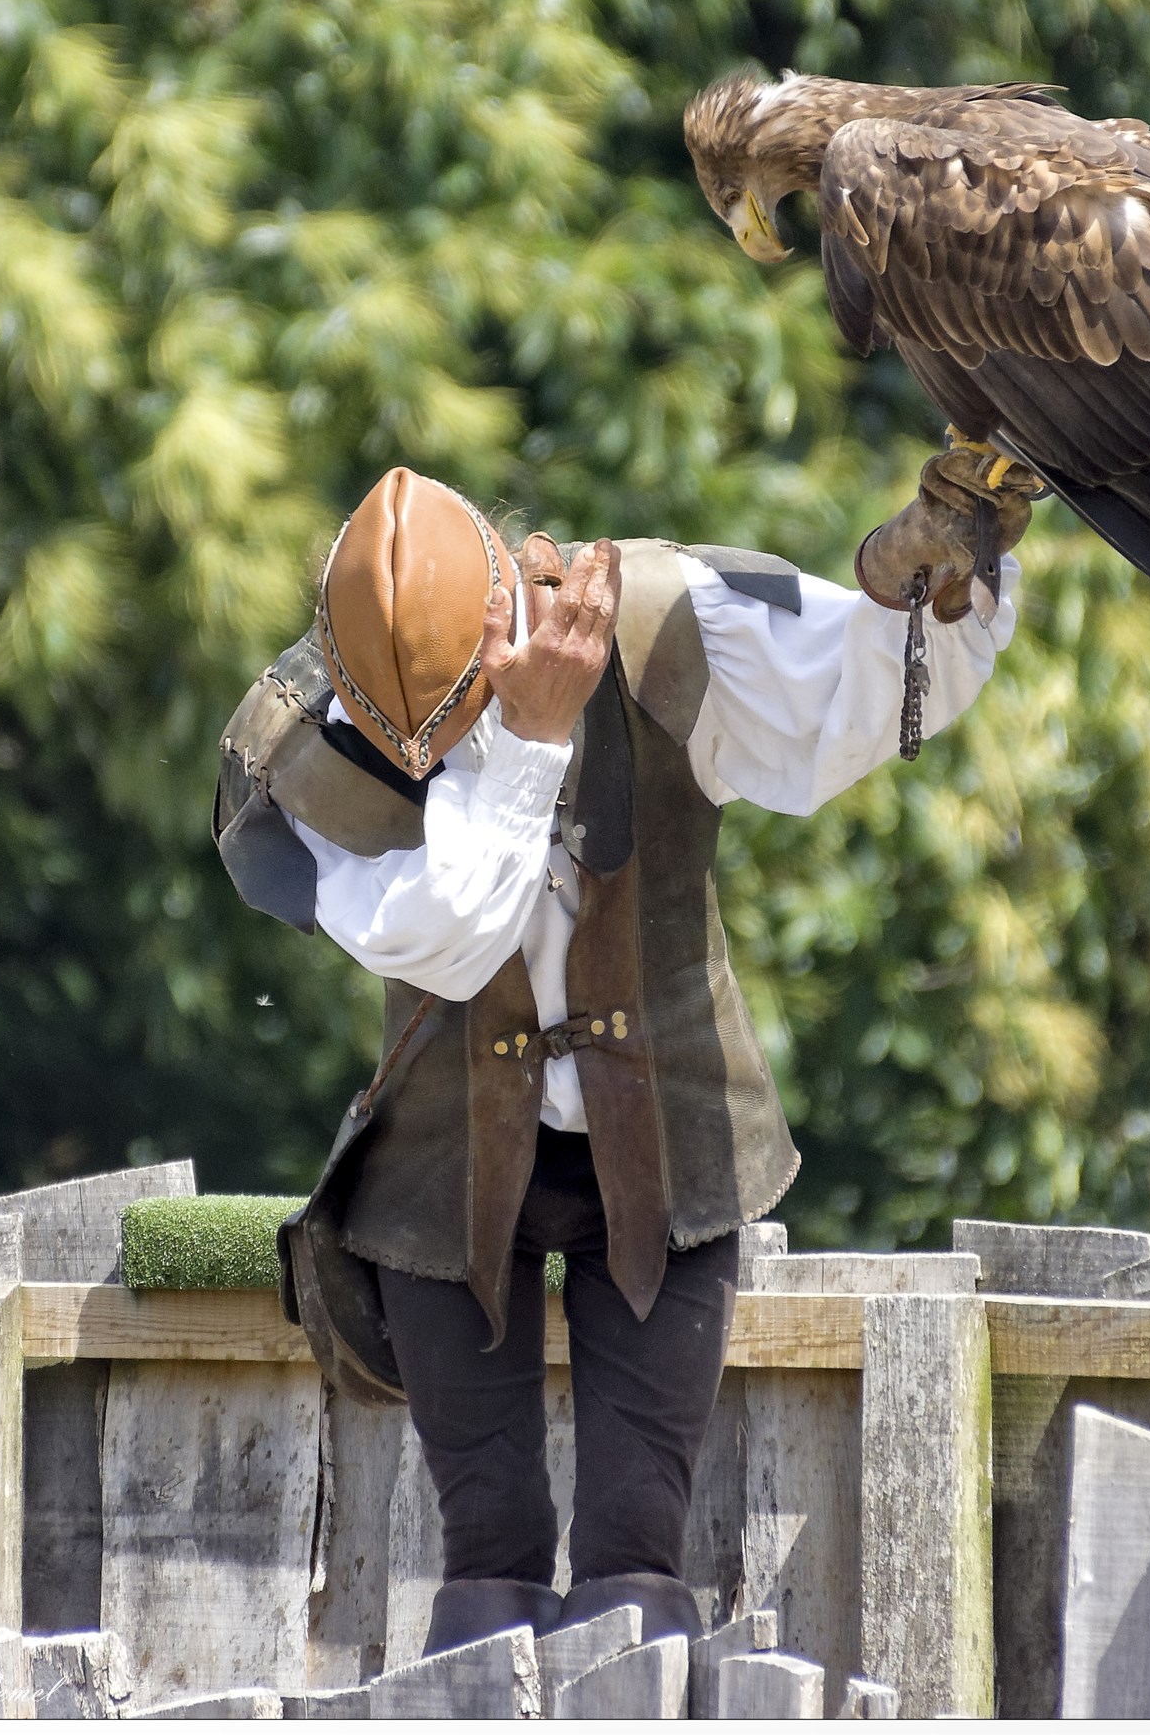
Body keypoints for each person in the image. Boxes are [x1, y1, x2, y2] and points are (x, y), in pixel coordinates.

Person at [213, 449, 1032, 1656]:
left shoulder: (659, 619)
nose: (441, 753)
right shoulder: (312, 742)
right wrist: (533, 744)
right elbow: (441, 937)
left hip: (673, 1136)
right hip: (443, 1168)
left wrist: (938, 583)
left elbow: (852, 691)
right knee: (482, 1579)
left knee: (633, 1576)